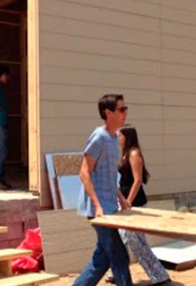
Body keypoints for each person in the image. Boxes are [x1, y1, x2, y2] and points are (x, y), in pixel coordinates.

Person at [73, 94, 133, 286]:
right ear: (108, 113)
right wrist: (97, 206)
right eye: (121, 109)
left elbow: (109, 175)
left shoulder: (114, 138)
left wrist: (121, 197)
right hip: (98, 209)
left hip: (109, 205)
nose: (125, 112)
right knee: (119, 255)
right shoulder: (99, 137)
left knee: (102, 258)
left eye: (125, 108)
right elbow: (84, 172)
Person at [105, 124, 172, 286]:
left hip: (134, 203)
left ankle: (159, 275)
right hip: (123, 201)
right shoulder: (124, 153)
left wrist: (128, 201)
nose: (118, 138)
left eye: (120, 136)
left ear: (127, 137)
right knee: (120, 240)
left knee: (137, 242)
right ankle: (117, 273)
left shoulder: (134, 154)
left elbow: (137, 180)